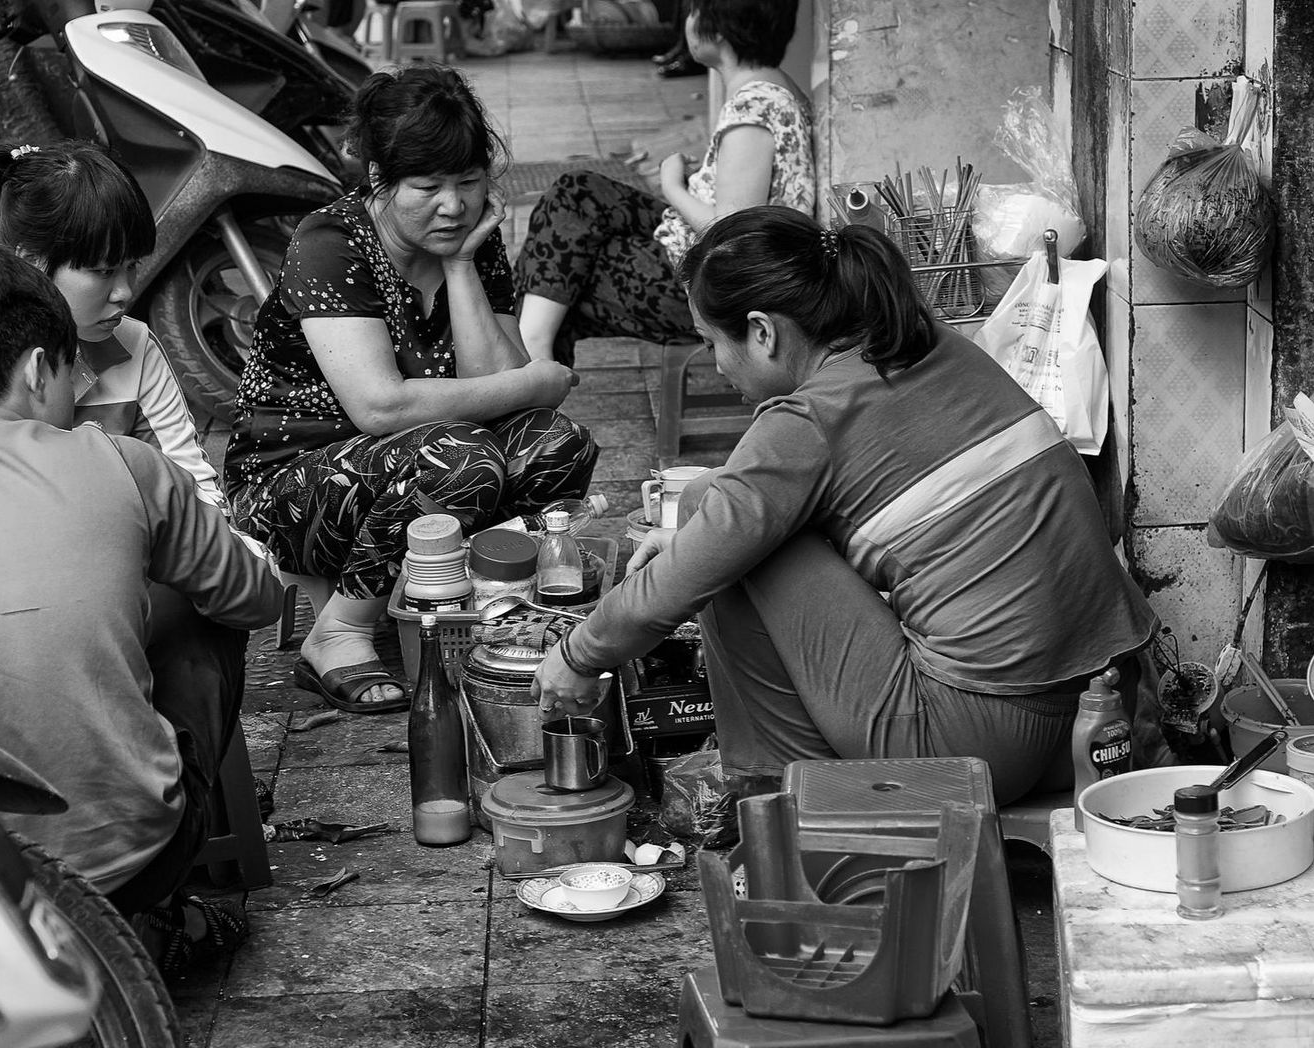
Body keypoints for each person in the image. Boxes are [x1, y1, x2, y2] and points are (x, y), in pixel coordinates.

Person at [533, 207, 1159, 806]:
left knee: (727, 541)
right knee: (713, 508)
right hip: (1104, 718)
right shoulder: (928, 347)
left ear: (763, 331)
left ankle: (784, 801)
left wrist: (578, 655)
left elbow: (716, 548)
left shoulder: (806, 422)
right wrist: (698, 534)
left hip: (976, 751)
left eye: (711, 342)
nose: (716, 365)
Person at [0, 243, 285, 965]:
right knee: (204, 611)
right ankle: (154, 918)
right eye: (74, 368)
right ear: (40, 370)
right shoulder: (122, 463)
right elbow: (255, 601)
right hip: (132, 863)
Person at [224, 63, 598, 714]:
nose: (453, 205)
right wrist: (534, 380)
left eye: (469, 182)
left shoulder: (467, 237)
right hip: (294, 486)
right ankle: (338, 633)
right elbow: (380, 406)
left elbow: (499, 386)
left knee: (555, 444)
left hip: (427, 459)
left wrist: (458, 265)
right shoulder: (331, 241)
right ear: (378, 180)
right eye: (427, 186)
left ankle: (487, 602)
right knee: (459, 455)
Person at [0, 139, 229, 518]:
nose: (125, 292)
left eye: (133, 265)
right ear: (30, 261)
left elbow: (200, 499)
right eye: (103, 271)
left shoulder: (135, 346)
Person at [514, 0, 814, 367]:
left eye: (692, 12)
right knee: (577, 192)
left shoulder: (752, 111)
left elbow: (730, 232)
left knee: (563, 274)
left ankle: (530, 364)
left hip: (709, 286)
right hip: (691, 251)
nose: (687, 23)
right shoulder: (775, 88)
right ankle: (532, 353)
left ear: (717, 30)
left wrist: (673, 186)